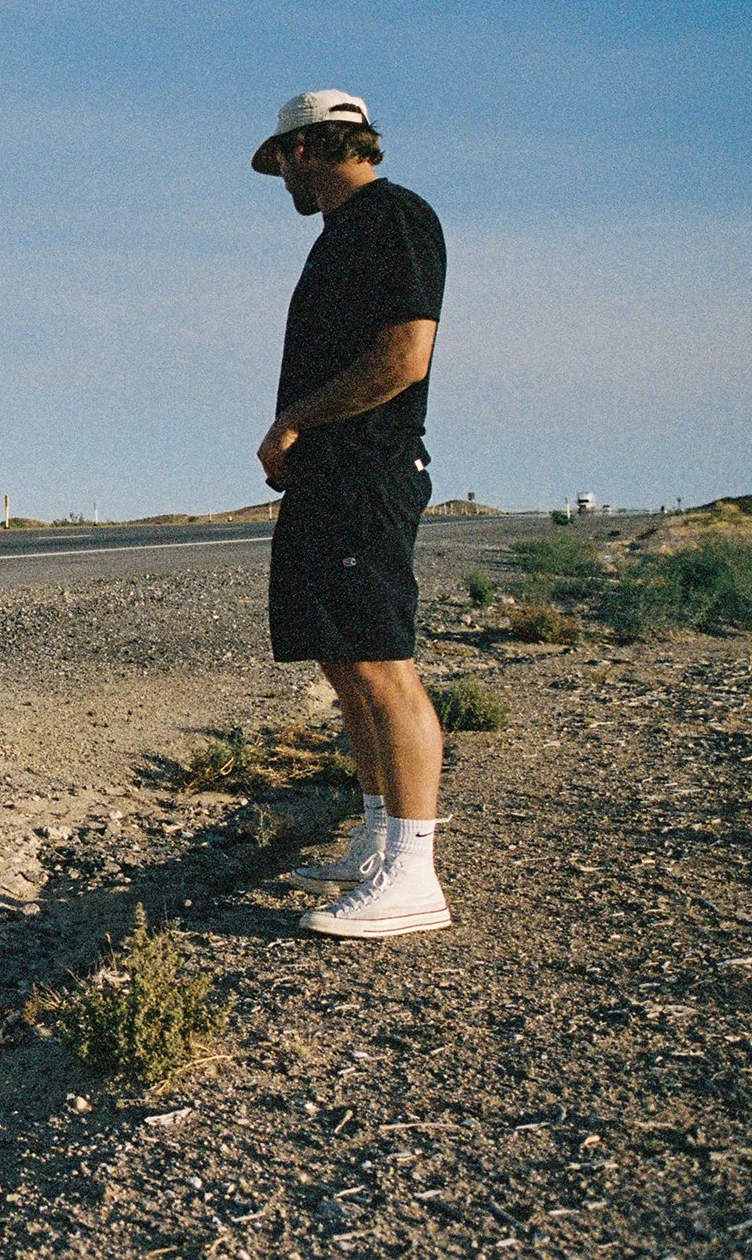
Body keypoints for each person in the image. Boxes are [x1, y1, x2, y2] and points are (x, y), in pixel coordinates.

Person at [251, 90, 452, 939]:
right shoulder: (342, 234)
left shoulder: (392, 216)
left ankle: (414, 872)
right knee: (340, 659)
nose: (282, 184)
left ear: (307, 149)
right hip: (328, 477)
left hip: (366, 472)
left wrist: (297, 417)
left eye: (281, 165)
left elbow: (405, 356)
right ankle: (377, 838)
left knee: (381, 662)